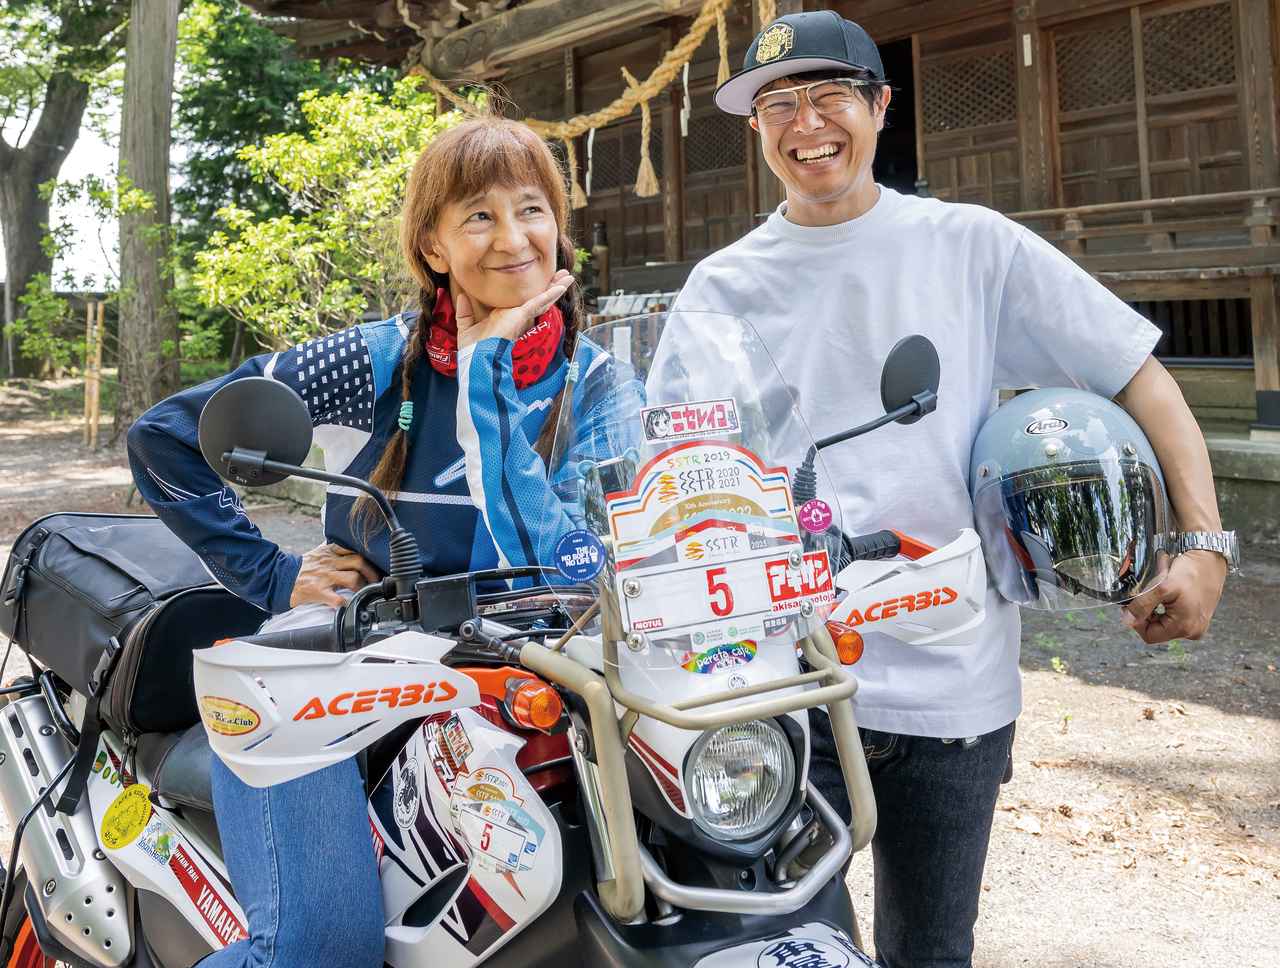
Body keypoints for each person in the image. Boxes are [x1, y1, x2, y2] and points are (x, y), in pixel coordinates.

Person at [673, 10, 1232, 966]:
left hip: (950, 681)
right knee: (778, 945)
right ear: (756, 129)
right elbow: (678, 476)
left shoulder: (970, 245)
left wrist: (1203, 541)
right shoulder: (720, 288)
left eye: (829, 95)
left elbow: (1135, 373)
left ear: (880, 107)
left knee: (931, 948)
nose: (807, 124)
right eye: (777, 106)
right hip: (781, 683)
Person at [126, 114, 585, 968]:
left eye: (531, 208)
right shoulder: (379, 361)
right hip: (330, 682)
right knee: (319, 949)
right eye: (477, 216)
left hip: (524, 687)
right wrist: (272, 575)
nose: (513, 237)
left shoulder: (597, 383)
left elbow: (600, 559)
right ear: (434, 248)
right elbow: (164, 436)